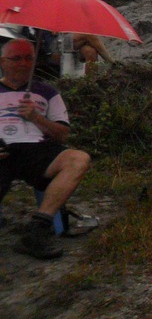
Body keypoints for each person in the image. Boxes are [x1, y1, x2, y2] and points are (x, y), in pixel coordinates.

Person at [0, 38, 91, 259]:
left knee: (79, 159)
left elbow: (63, 134)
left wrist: (36, 117)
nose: (23, 63)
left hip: (35, 149)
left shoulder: (47, 92)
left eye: (28, 58)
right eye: (16, 58)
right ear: (3, 62)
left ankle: (37, 229)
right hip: (2, 147)